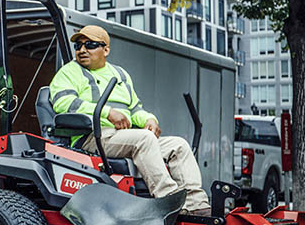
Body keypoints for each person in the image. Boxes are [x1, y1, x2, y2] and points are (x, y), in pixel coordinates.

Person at [49, 24, 211, 214]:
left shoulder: (120, 74)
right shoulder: (69, 72)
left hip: (123, 137)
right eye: (78, 46)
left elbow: (135, 109)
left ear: (106, 49)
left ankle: (196, 206)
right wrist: (107, 112)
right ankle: (169, 200)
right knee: (144, 139)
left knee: (179, 145)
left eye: (90, 45)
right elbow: (63, 102)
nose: (82, 50)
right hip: (91, 137)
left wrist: (149, 119)